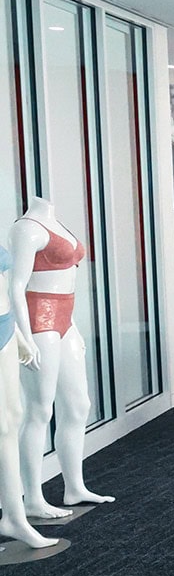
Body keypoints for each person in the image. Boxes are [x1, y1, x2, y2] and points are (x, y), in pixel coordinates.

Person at [9, 196, 111, 519]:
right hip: (41, 317)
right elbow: (15, 287)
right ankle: (32, 498)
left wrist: (74, 327)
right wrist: (24, 338)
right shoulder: (26, 229)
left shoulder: (55, 221)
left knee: (79, 405)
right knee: (39, 409)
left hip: (65, 317)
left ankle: (74, 485)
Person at [0, 227, 58, 548]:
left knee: (11, 418)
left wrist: (19, 336)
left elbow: (5, 283)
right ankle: (14, 516)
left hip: (5, 326)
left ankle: (14, 516)